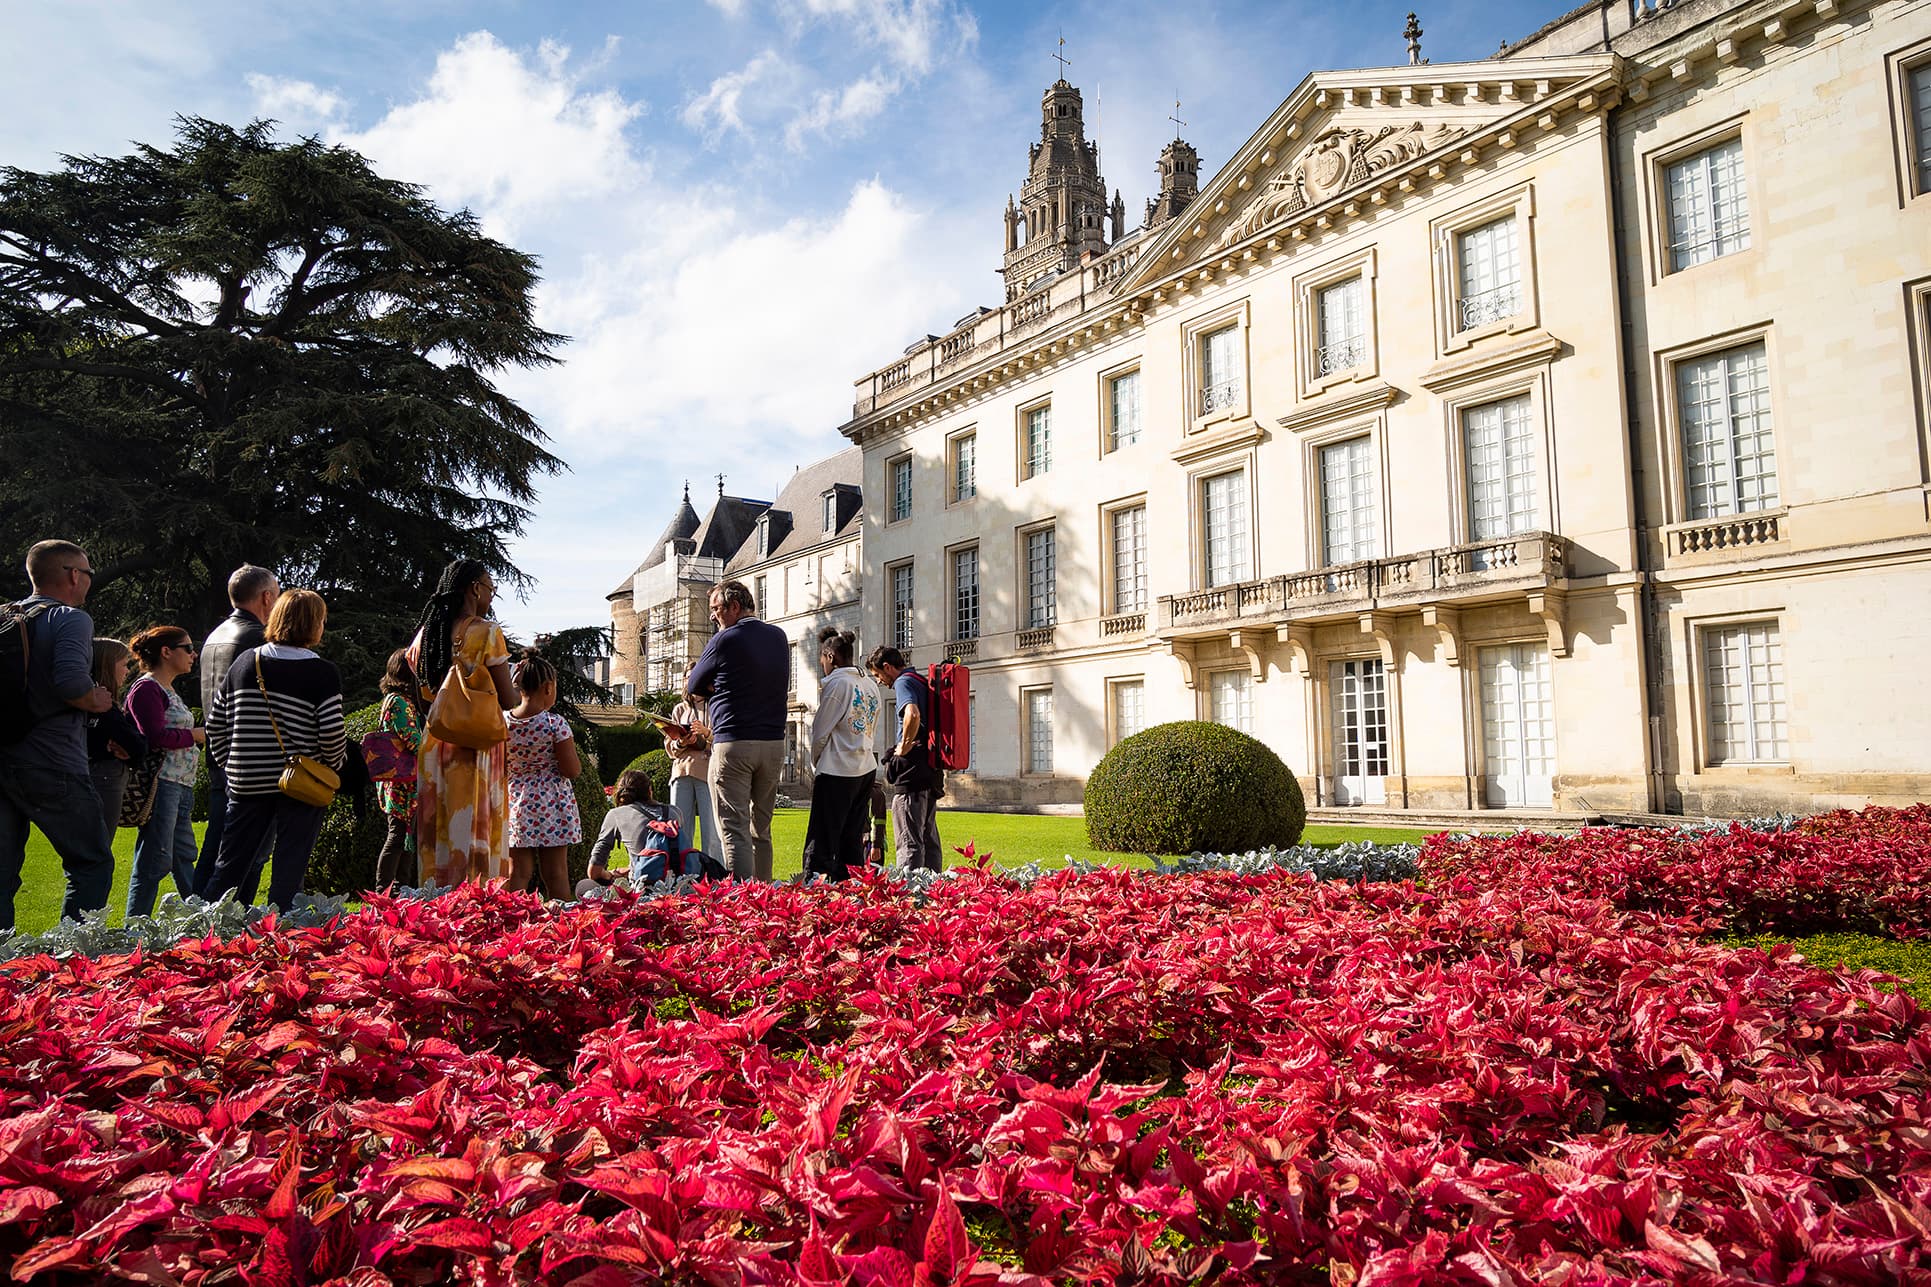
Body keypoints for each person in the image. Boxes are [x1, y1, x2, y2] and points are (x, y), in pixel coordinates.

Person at [203, 589, 346, 909]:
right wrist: (332, 766)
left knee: (228, 869)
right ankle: (280, 930)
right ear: (313, 624)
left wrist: (231, 764)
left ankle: (206, 929)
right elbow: (332, 734)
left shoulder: (245, 663)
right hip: (300, 783)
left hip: (247, 780)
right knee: (289, 871)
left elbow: (215, 724)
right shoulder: (322, 672)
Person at [0, 540, 116, 931]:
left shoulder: (6, 617)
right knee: (91, 862)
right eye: (88, 573)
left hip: (4, 756)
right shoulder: (70, 619)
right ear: (73, 575)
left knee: (2, 872)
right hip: (53, 760)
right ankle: (70, 953)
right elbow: (70, 683)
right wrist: (96, 698)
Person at [410, 559, 515, 886]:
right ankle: (477, 901)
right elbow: (508, 699)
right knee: (474, 829)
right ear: (475, 588)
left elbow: (424, 695)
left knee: (437, 829)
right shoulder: (486, 632)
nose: (492, 595)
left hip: (436, 740)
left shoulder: (426, 635)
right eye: (491, 588)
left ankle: (434, 899)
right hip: (476, 743)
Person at [683, 580, 788, 882]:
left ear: (734, 606)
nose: (713, 616)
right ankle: (765, 893)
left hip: (734, 742)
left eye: (716, 609)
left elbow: (693, 685)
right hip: (773, 743)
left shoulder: (725, 639)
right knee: (761, 828)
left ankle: (742, 901)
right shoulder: (778, 636)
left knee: (734, 828)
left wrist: (716, 687)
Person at [192, 564, 280, 897]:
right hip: (249, 762)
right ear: (267, 597)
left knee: (216, 845)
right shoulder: (257, 639)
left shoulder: (215, 636)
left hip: (219, 754)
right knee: (249, 853)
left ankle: (198, 910)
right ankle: (234, 916)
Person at [123, 626, 206, 917]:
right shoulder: (147, 689)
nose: (193, 655)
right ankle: (135, 928)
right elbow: (155, 737)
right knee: (154, 859)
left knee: (183, 856)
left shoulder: (167, 689)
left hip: (179, 783)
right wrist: (194, 735)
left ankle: (205, 920)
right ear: (166, 652)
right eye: (188, 648)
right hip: (161, 783)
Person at [803, 629, 881, 882]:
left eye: (822, 659)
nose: (822, 665)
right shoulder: (870, 684)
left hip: (837, 768)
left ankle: (816, 887)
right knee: (852, 838)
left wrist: (817, 763)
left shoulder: (838, 684)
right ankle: (851, 887)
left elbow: (820, 733)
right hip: (864, 766)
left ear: (830, 656)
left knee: (822, 839)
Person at [505, 650, 582, 899]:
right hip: (552, 804)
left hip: (517, 801)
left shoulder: (503, 722)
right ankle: (563, 918)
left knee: (517, 872)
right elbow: (571, 769)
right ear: (549, 688)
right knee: (556, 873)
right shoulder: (554, 724)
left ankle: (511, 917)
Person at [867, 645, 943, 873]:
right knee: (928, 839)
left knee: (909, 840)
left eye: (878, 675)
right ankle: (933, 888)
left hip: (912, 774)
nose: (879, 681)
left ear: (887, 667)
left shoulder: (903, 682)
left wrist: (903, 747)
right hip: (929, 771)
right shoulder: (920, 680)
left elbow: (912, 713)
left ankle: (909, 891)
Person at [85, 638, 145, 846]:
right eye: (124, 665)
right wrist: (134, 750)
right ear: (108, 667)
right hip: (106, 779)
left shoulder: (86, 705)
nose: (127, 671)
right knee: (98, 848)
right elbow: (136, 746)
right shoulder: (104, 708)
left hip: (94, 775)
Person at [373, 648, 423, 888]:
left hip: (401, 781)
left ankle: (402, 891)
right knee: (398, 835)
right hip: (400, 783)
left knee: (405, 836)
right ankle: (383, 890)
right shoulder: (398, 702)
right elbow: (414, 740)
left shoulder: (398, 700)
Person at [581, 768, 677, 894]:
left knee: (583, 886)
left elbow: (594, 872)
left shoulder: (616, 815)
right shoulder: (674, 812)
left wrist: (611, 875)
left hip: (643, 891)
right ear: (649, 791)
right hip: (680, 887)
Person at [665, 678, 717, 860]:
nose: (691, 680)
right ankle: (682, 869)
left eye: (695, 675)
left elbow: (724, 739)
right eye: (687, 676)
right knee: (680, 829)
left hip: (707, 772)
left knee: (711, 831)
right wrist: (682, 742)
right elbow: (670, 748)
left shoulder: (715, 706)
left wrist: (706, 733)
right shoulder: (680, 709)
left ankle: (713, 871)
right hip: (681, 772)